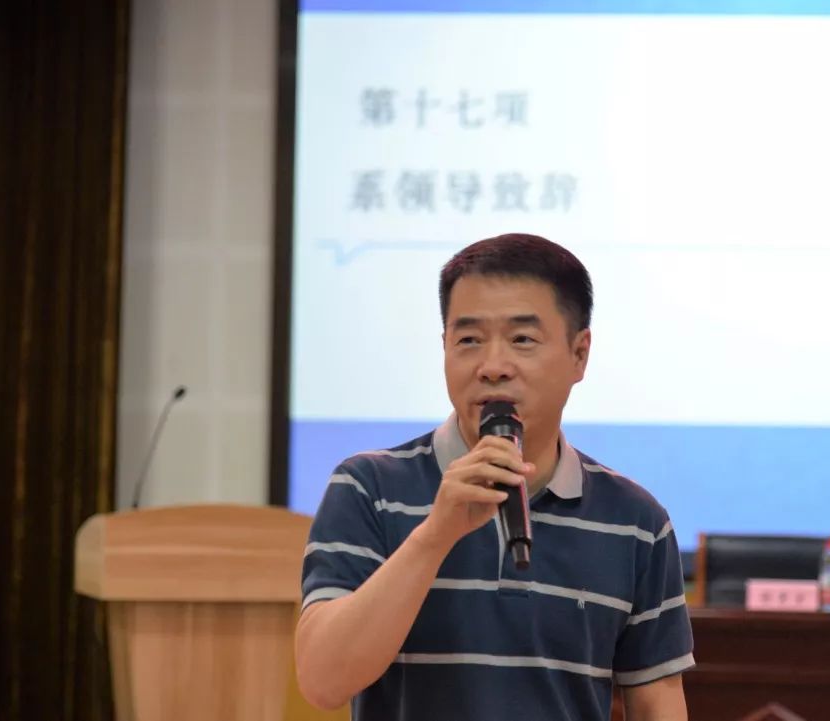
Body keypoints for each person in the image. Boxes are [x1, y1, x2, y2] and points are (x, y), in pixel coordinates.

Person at [296, 233, 694, 720]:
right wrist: (435, 535)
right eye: (468, 340)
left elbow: (657, 703)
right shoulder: (369, 488)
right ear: (444, 347)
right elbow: (322, 682)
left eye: (522, 339)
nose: (493, 367)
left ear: (579, 354)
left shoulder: (636, 521)